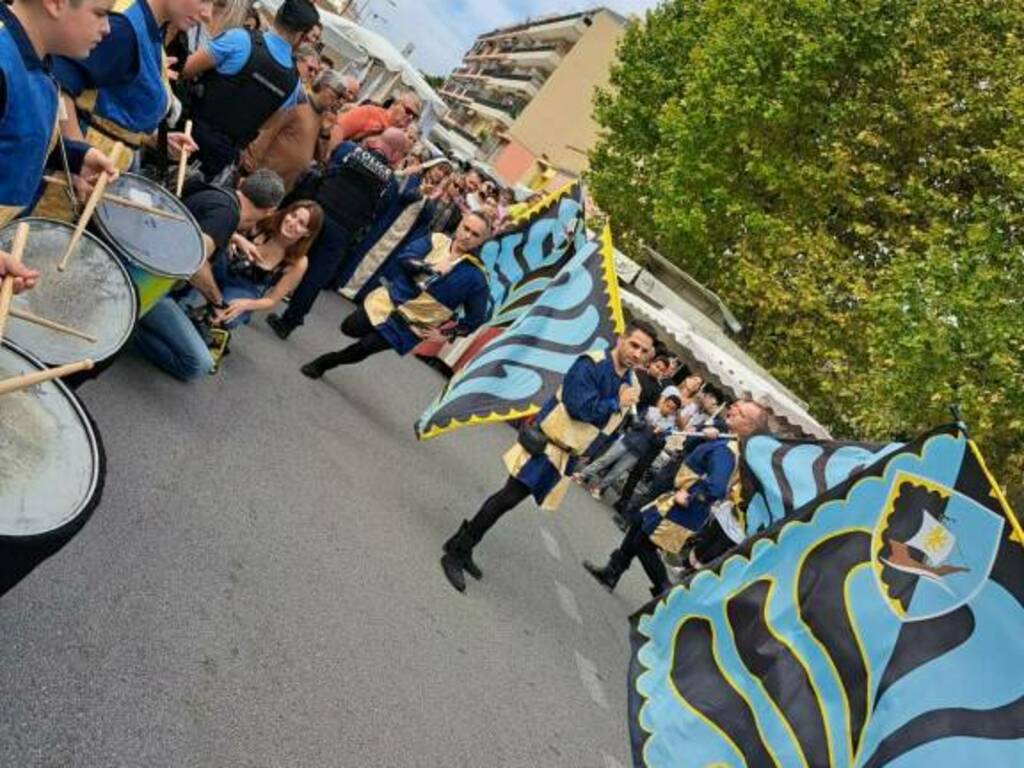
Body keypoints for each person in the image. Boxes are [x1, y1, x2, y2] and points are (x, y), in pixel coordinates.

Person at [438, 320, 658, 593]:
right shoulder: (591, 363)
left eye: (644, 351)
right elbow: (579, 408)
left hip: (568, 453)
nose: (637, 353)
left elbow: (610, 426)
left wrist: (590, 454)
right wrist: (616, 402)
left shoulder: (631, 382)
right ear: (621, 339)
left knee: (510, 500)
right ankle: (457, 551)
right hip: (547, 443)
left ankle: (462, 543)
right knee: (508, 497)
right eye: (634, 344)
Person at [583, 400, 769, 597]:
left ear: (748, 427)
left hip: (685, 506)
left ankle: (665, 593)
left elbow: (716, 487)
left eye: (739, 412)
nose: (732, 409)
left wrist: (689, 496)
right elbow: (691, 447)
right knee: (638, 524)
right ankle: (612, 572)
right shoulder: (728, 440)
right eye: (735, 406)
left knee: (645, 545)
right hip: (675, 498)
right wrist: (708, 436)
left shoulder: (728, 451)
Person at [132, 169, 285, 381]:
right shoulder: (227, 214)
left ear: (244, 184)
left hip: (143, 267)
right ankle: (131, 330)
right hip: (147, 286)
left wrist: (235, 238)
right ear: (270, 210)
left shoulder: (219, 195)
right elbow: (193, 263)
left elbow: (199, 226)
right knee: (198, 364)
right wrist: (217, 301)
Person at [299, 211, 492, 378]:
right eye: (466, 228)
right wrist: (431, 267)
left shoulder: (477, 277)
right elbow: (405, 258)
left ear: (482, 241)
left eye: (475, 234)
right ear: (460, 224)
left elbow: (476, 318)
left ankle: (324, 363)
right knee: (349, 327)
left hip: (410, 326)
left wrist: (445, 333)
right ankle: (373, 330)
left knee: (364, 348)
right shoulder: (436, 240)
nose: (467, 236)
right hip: (387, 301)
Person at [265, 126, 410, 338]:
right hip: (342, 230)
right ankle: (288, 322)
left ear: (379, 139)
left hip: (317, 213)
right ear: (396, 154)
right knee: (315, 276)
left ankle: (259, 285)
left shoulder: (350, 150)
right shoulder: (391, 184)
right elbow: (378, 213)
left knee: (288, 252)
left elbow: (327, 168)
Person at [1, 0, 120, 227]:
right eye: (100, 13)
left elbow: (13, 135)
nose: (107, 28)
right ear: (54, 3)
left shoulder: (34, 59)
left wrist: (76, 157)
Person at [51, 0, 205, 169]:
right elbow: (59, 83)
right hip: (75, 174)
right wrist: (78, 158)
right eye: (205, 0)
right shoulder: (123, 27)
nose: (208, 14)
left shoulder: (148, 26)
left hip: (102, 168)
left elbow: (113, 103)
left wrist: (152, 138)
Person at [182, 0, 318, 179]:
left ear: (277, 15)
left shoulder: (239, 39)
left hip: (184, 134)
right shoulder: (294, 85)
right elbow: (266, 125)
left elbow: (185, 70)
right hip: (219, 157)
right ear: (303, 35)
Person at [241, 69, 352, 192]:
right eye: (338, 95)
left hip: (283, 185)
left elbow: (320, 159)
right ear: (325, 86)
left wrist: (325, 133)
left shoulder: (323, 117)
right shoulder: (297, 102)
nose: (339, 102)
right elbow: (267, 133)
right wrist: (247, 168)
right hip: (261, 175)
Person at [575, 393, 681, 500]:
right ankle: (583, 474)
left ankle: (599, 488)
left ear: (674, 412)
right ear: (663, 403)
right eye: (667, 405)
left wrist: (656, 434)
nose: (668, 409)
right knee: (606, 459)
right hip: (627, 440)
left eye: (672, 408)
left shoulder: (668, 427)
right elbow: (635, 423)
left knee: (617, 471)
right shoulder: (649, 410)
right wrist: (649, 427)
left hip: (639, 451)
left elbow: (659, 443)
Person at [327, 89, 419, 148]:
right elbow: (338, 131)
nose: (410, 117)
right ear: (396, 104)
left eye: (414, 116)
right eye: (408, 111)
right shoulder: (369, 112)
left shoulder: (399, 140)